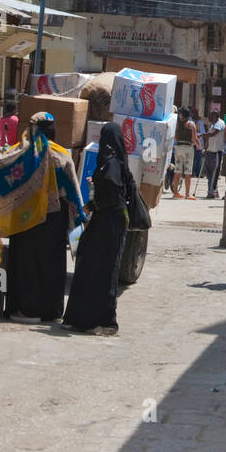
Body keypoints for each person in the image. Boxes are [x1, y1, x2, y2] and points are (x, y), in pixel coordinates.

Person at [5, 113, 84, 324]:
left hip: (25, 218)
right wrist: (77, 221)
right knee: (52, 264)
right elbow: (73, 193)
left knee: (26, 263)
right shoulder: (62, 156)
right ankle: (51, 311)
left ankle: (27, 311)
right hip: (54, 219)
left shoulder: (19, 154)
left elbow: (2, 181)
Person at [63, 123, 136, 336]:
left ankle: (105, 321)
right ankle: (82, 318)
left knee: (103, 269)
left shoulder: (111, 163)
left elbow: (112, 193)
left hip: (109, 222)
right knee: (91, 265)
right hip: (107, 220)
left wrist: (94, 204)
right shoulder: (113, 162)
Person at [172, 107, 200, 200]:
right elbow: (194, 139)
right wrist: (198, 145)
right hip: (188, 148)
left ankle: (175, 192)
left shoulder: (177, 124)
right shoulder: (191, 124)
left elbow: (175, 137)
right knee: (188, 172)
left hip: (178, 147)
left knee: (177, 171)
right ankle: (187, 194)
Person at [203, 109, 226, 199]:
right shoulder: (212, 124)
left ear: (216, 116)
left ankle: (211, 191)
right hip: (210, 151)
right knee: (209, 173)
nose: (209, 117)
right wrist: (206, 146)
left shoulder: (220, 123)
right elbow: (210, 138)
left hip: (216, 152)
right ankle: (214, 190)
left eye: (211, 116)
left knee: (214, 173)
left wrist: (202, 135)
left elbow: (213, 134)